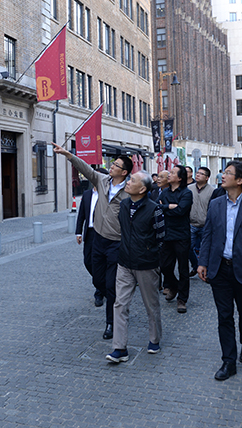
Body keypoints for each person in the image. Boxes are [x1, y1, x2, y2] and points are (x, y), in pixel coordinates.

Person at [53, 142, 132, 340]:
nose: (111, 166)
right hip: (98, 240)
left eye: (116, 165)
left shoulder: (129, 191)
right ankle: (114, 298)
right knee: (98, 280)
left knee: (111, 285)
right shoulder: (102, 180)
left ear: (124, 172)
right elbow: (85, 168)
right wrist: (68, 155)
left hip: (116, 243)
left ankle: (111, 323)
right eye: (113, 163)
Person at [198, 160, 242, 381]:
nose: (222, 175)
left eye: (227, 173)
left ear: (239, 180)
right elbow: (208, 235)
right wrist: (202, 262)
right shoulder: (216, 204)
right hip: (219, 269)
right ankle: (228, 361)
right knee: (224, 315)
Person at [106, 172, 166, 363]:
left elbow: (161, 236)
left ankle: (154, 339)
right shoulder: (124, 205)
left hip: (146, 264)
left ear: (142, 189)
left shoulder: (154, 209)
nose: (128, 182)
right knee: (120, 304)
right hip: (124, 262)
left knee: (151, 304)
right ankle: (119, 348)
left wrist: (149, 251)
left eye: (132, 180)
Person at [158, 165, 194, 313]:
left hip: (181, 235)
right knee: (164, 266)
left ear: (179, 178)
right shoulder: (164, 192)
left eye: (172, 173)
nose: (169, 174)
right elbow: (157, 208)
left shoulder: (186, 193)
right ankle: (174, 286)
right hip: (166, 234)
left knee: (183, 268)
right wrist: (169, 207)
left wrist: (165, 208)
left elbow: (180, 211)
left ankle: (182, 299)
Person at [76, 182, 105, 307]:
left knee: (100, 261)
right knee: (88, 261)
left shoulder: (107, 194)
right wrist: (78, 232)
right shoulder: (87, 194)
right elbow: (81, 214)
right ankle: (102, 282)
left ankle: (99, 292)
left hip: (103, 232)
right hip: (90, 232)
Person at [188, 166, 214, 277]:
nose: (197, 175)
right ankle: (196, 266)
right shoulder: (189, 188)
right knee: (188, 247)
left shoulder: (212, 191)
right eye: (197, 173)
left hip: (206, 225)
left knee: (208, 249)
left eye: (201, 174)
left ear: (207, 178)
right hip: (191, 224)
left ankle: (208, 270)